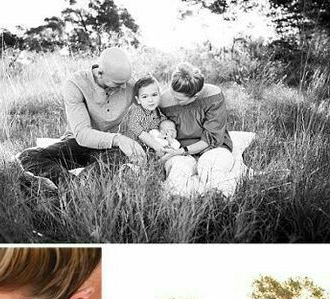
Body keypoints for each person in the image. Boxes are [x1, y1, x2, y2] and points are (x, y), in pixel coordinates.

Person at [16, 47, 145, 185]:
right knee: (28, 156)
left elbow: (154, 108)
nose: (125, 87)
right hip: (76, 143)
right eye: (118, 83)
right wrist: (119, 139)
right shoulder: (75, 84)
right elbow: (83, 134)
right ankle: (75, 186)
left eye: (126, 81)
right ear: (100, 73)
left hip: (107, 150)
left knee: (122, 156)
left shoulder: (128, 84)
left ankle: (71, 187)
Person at [159, 63, 237, 194]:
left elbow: (212, 138)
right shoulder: (163, 100)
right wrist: (165, 125)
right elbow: (156, 122)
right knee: (177, 175)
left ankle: (219, 199)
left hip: (212, 147)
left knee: (209, 169)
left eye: (179, 99)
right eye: (172, 93)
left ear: (195, 97)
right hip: (179, 149)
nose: (173, 99)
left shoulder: (213, 96)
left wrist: (182, 151)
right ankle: (181, 202)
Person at [120, 76, 184, 158]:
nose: (150, 100)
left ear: (159, 94)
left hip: (151, 147)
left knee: (167, 150)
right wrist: (155, 144)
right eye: (145, 97)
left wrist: (169, 131)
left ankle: (164, 159)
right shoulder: (138, 111)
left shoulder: (157, 112)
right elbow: (135, 126)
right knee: (138, 159)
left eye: (154, 95)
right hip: (135, 145)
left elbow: (164, 123)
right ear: (138, 100)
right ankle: (132, 167)